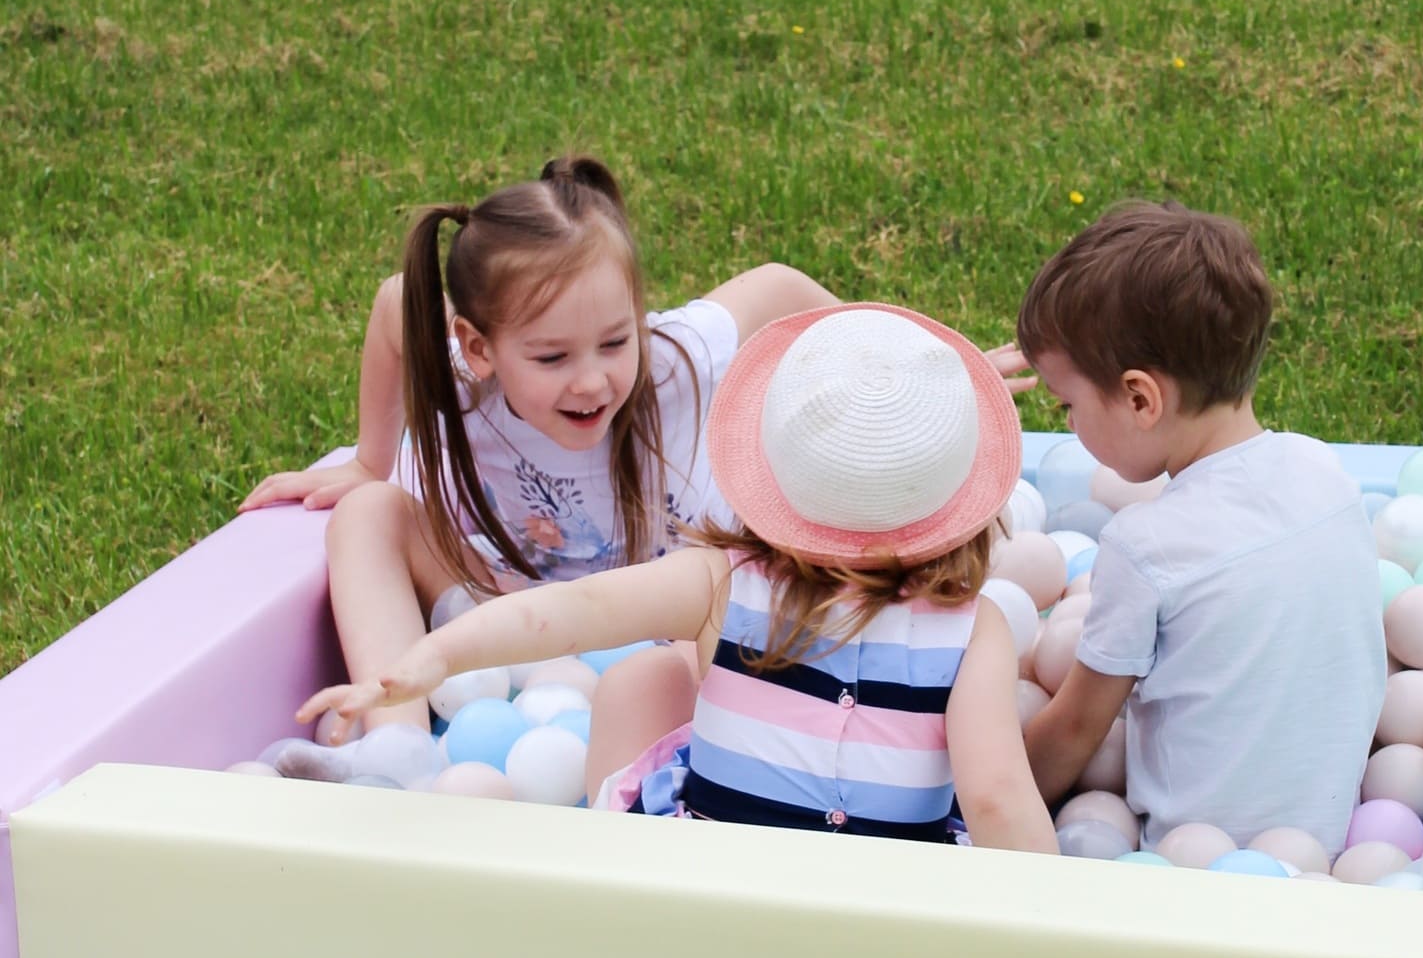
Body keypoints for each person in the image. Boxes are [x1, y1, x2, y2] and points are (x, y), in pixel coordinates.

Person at [298, 304, 1059, 854]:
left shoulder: (720, 582)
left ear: (771, 472)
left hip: (716, 890)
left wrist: (434, 658)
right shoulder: (973, 629)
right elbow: (994, 796)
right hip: (890, 907)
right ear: (962, 501)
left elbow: (571, 612)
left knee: (640, 711)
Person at [243, 156, 837, 791]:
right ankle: (398, 745)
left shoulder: (675, 359)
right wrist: (371, 460)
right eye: (551, 356)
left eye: (615, 342)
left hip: (667, 636)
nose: (591, 379)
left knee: (742, 602)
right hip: (501, 621)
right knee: (369, 514)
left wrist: (905, 382)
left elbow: (781, 287)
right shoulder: (465, 377)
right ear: (479, 348)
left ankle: (646, 782)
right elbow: (397, 305)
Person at [1015, 201, 1385, 856]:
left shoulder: (1147, 545)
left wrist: (970, 797)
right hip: (1330, 841)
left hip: (1192, 867)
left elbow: (1075, 731)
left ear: (1139, 399)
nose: (1067, 423)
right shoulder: (1321, 468)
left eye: (1067, 405)